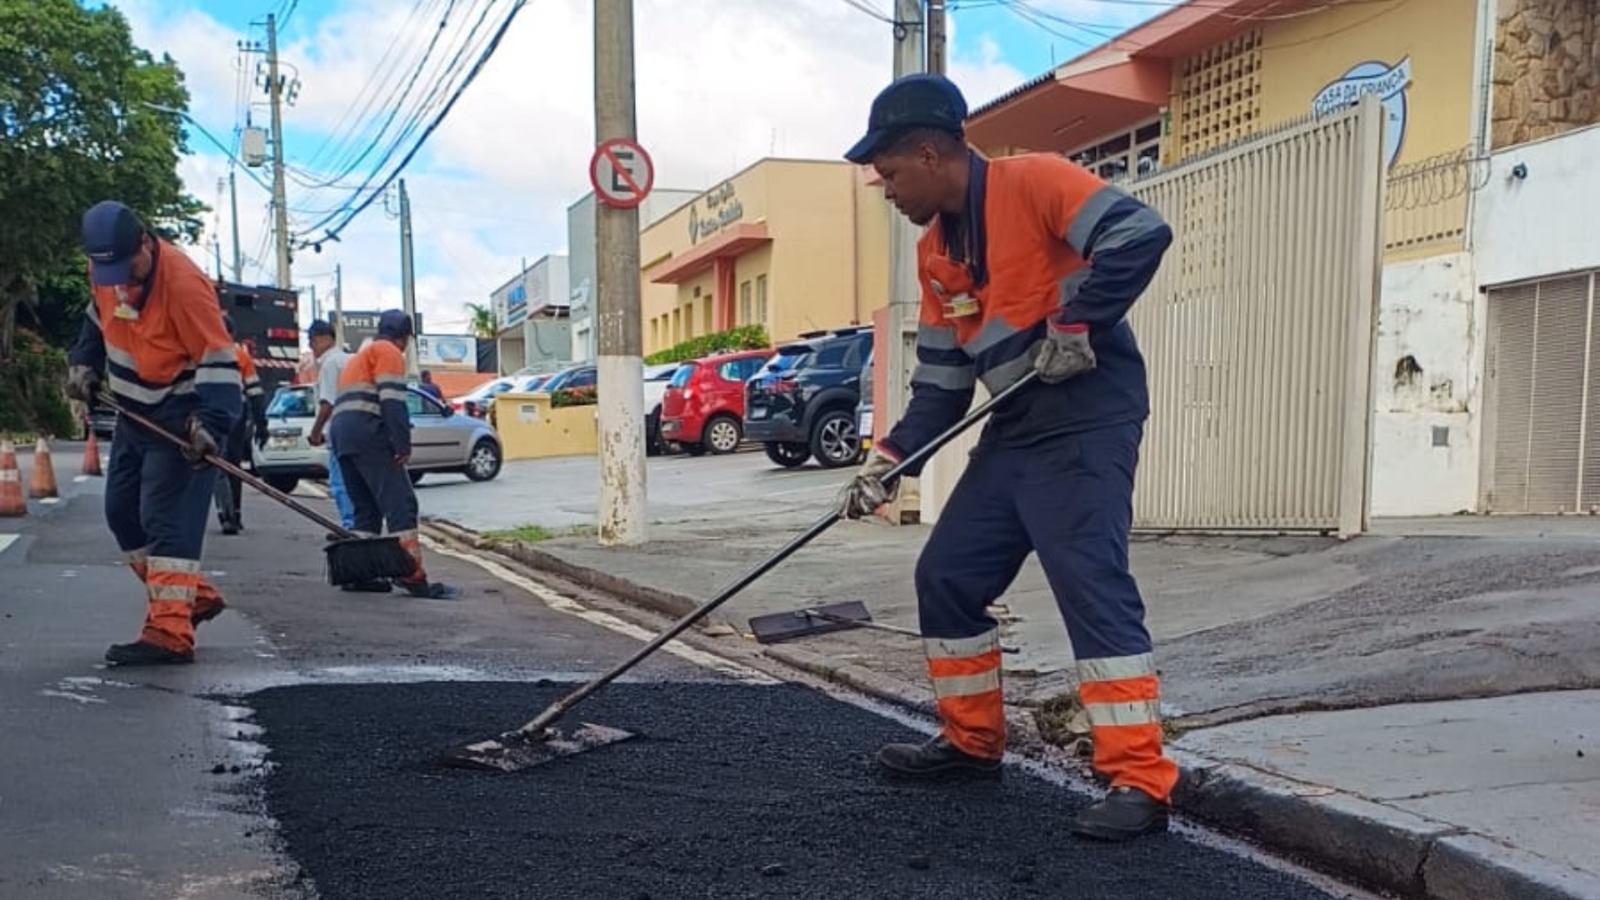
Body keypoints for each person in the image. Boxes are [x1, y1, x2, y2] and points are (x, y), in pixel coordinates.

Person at [836, 73, 1180, 842]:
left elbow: (1138, 234)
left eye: (890, 174)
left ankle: (1139, 778)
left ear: (930, 153)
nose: (886, 190)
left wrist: (1080, 323)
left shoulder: (1037, 180)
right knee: (948, 575)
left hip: (1087, 416)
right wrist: (888, 459)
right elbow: (943, 387)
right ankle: (971, 744)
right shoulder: (935, 256)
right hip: (1016, 425)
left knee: (1088, 580)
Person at [66, 200, 241, 665]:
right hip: (133, 413)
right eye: (112, 274)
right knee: (122, 512)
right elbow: (95, 320)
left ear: (145, 242)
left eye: (130, 269)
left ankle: (169, 631)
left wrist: (211, 426)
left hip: (180, 415)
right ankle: (192, 598)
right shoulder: (104, 269)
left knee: (165, 519)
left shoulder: (184, 286)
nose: (121, 283)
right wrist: (84, 363)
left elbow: (219, 361)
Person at [327, 309, 455, 598]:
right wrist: (402, 444)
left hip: (342, 435)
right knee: (402, 505)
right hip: (368, 434)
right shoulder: (389, 353)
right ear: (406, 338)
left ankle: (357, 574)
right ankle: (411, 574)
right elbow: (393, 402)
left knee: (366, 510)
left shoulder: (361, 355)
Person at [213, 314, 268, 535]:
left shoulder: (205, 352)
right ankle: (234, 514)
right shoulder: (240, 356)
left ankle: (226, 515)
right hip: (236, 413)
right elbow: (255, 393)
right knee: (233, 466)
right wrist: (260, 424)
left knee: (218, 466)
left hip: (212, 413)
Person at [304, 319, 356, 536]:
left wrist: (316, 432)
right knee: (356, 481)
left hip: (339, 430)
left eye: (311, 341)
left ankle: (349, 525)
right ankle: (361, 525)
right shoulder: (350, 360)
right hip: (357, 428)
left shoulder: (330, 364)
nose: (311, 348)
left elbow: (327, 404)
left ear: (323, 338)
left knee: (339, 482)